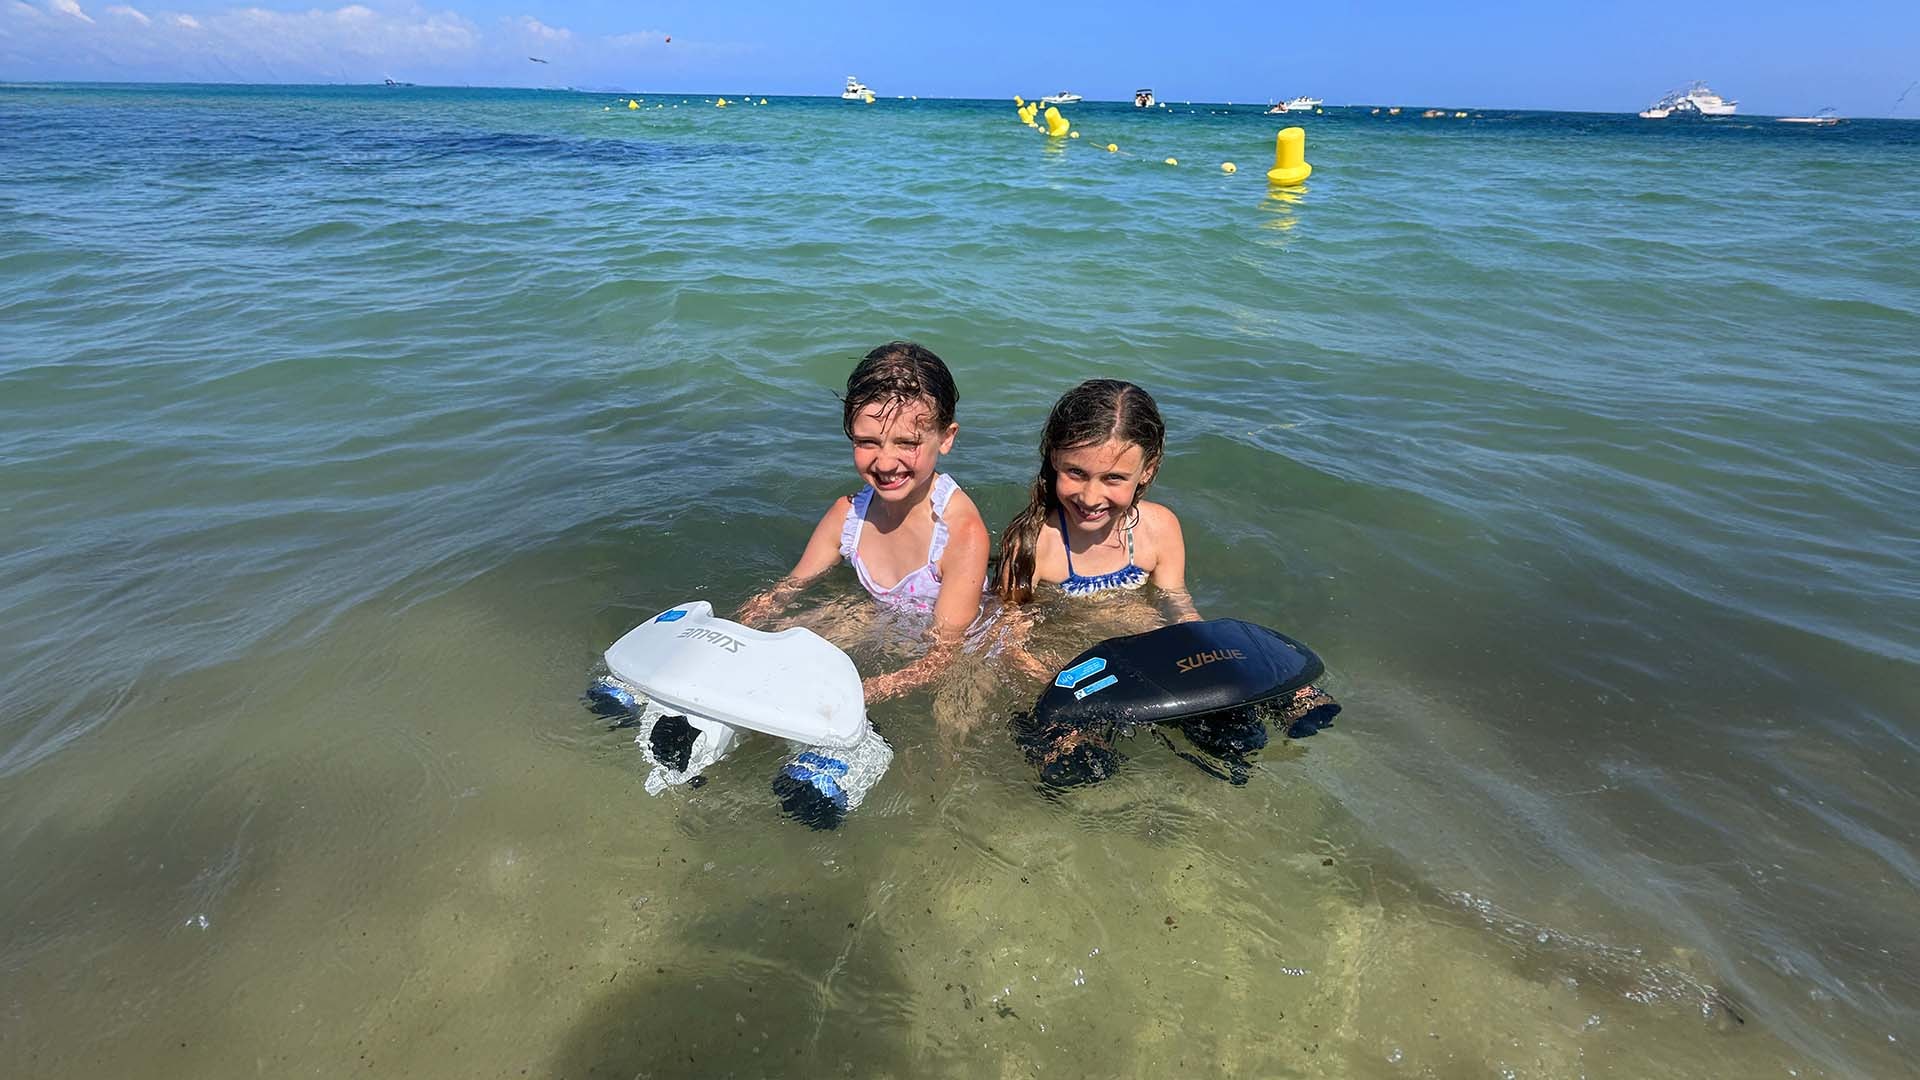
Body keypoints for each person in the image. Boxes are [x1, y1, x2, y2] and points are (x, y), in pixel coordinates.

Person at [738, 342, 989, 702]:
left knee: (952, 715)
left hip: (959, 651)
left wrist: (857, 694)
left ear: (946, 438)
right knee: (781, 635)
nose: (885, 463)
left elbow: (942, 656)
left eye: (906, 442)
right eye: (867, 442)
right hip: (876, 617)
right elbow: (787, 589)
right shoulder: (849, 515)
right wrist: (741, 631)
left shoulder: (962, 534)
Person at [995, 378, 1198, 626]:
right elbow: (1006, 634)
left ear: (1147, 470)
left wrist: (1202, 643)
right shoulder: (1034, 544)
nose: (1090, 498)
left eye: (1113, 478)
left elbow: (1177, 603)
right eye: (1076, 473)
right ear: (1054, 458)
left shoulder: (1159, 527)